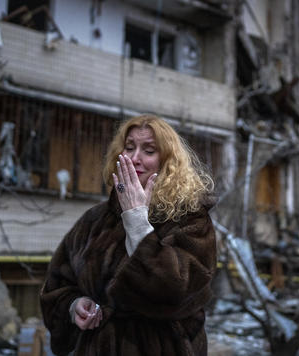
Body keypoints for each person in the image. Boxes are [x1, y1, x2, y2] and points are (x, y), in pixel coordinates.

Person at [40, 114, 217, 356]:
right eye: (130, 147)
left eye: (149, 150)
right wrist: (74, 305)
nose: (135, 158)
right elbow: (58, 283)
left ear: (167, 161)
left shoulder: (190, 219)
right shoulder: (96, 219)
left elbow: (177, 290)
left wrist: (136, 220)